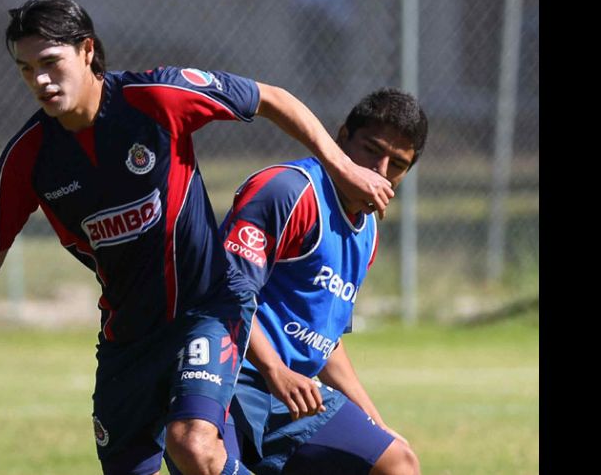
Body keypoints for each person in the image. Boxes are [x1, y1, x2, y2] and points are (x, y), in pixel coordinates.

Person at [0, 0, 395, 475]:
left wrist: (343, 166)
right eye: (27, 70)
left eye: (50, 61)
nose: (41, 80)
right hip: (128, 340)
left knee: (192, 445)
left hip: (207, 309)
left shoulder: (156, 97)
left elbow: (272, 98)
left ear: (87, 50)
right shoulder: (29, 156)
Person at [179, 88, 427, 475]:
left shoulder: (368, 232)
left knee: (398, 462)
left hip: (294, 395)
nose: (380, 170)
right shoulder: (289, 191)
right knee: (201, 453)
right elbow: (227, 294)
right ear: (341, 137)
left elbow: (323, 339)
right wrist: (276, 370)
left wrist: (376, 421)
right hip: (227, 377)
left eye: (397, 163)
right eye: (371, 150)